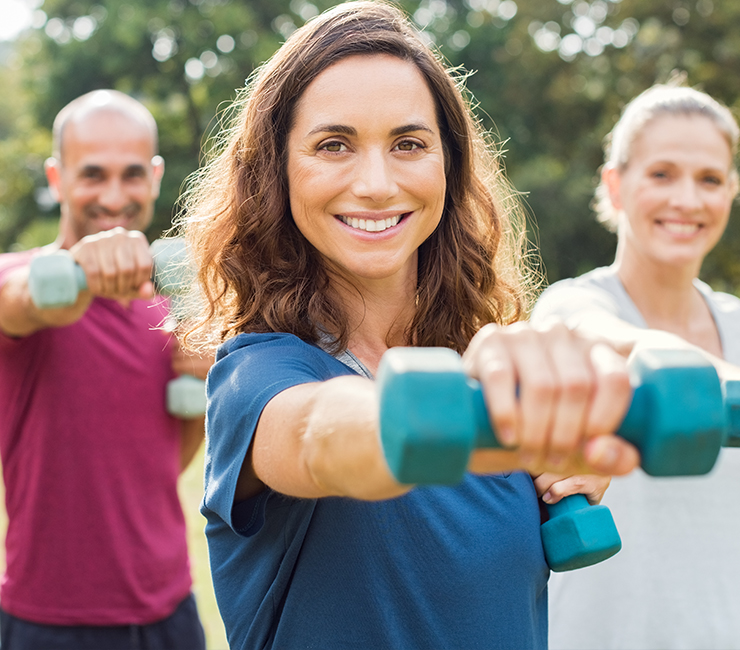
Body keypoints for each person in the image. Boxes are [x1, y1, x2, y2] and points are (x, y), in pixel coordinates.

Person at [180, 3, 645, 648]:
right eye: (333, 145)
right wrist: (486, 423)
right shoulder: (256, 378)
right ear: (277, 171)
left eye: (409, 144)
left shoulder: (491, 384)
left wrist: (567, 448)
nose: (375, 182)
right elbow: (325, 435)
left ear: (447, 169)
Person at [532, 81, 740, 649]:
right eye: (662, 174)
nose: (687, 201)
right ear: (615, 186)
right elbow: (600, 336)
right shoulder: (573, 307)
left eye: (710, 180)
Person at [0, 90, 208, 650]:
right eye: (93, 174)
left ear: (156, 176)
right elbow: (30, 300)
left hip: (169, 610)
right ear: (57, 177)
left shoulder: (176, 311)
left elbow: (162, 464)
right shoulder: (14, 278)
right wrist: (77, 267)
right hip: (46, 621)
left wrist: (200, 382)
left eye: (131, 174)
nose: (114, 196)